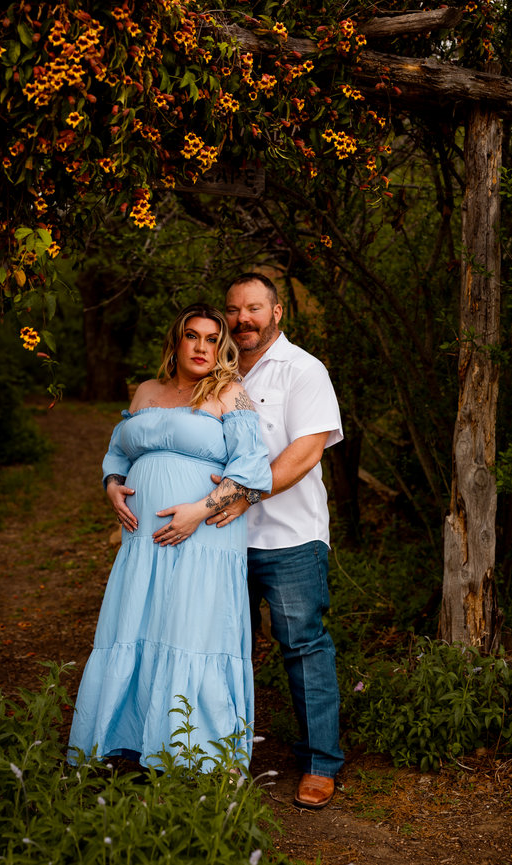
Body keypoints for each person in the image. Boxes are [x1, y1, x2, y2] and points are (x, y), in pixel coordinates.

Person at [68, 303, 272, 770]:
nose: (202, 347)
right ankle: (131, 742)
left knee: (189, 629)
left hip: (204, 540)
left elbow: (252, 469)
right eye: (192, 336)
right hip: (142, 543)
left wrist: (198, 511)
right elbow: (118, 452)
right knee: (138, 627)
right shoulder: (145, 391)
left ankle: (194, 756)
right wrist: (112, 485)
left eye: (212, 339)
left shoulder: (229, 393)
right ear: (176, 342)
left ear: (221, 348)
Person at [207, 272, 345, 809]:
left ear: (277, 312)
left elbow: (304, 453)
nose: (242, 319)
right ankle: (217, 755)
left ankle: (320, 764)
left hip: (290, 538)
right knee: (220, 646)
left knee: (304, 647)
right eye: (233, 309)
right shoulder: (213, 372)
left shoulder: (303, 370)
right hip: (220, 539)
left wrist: (242, 496)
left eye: (254, 308)